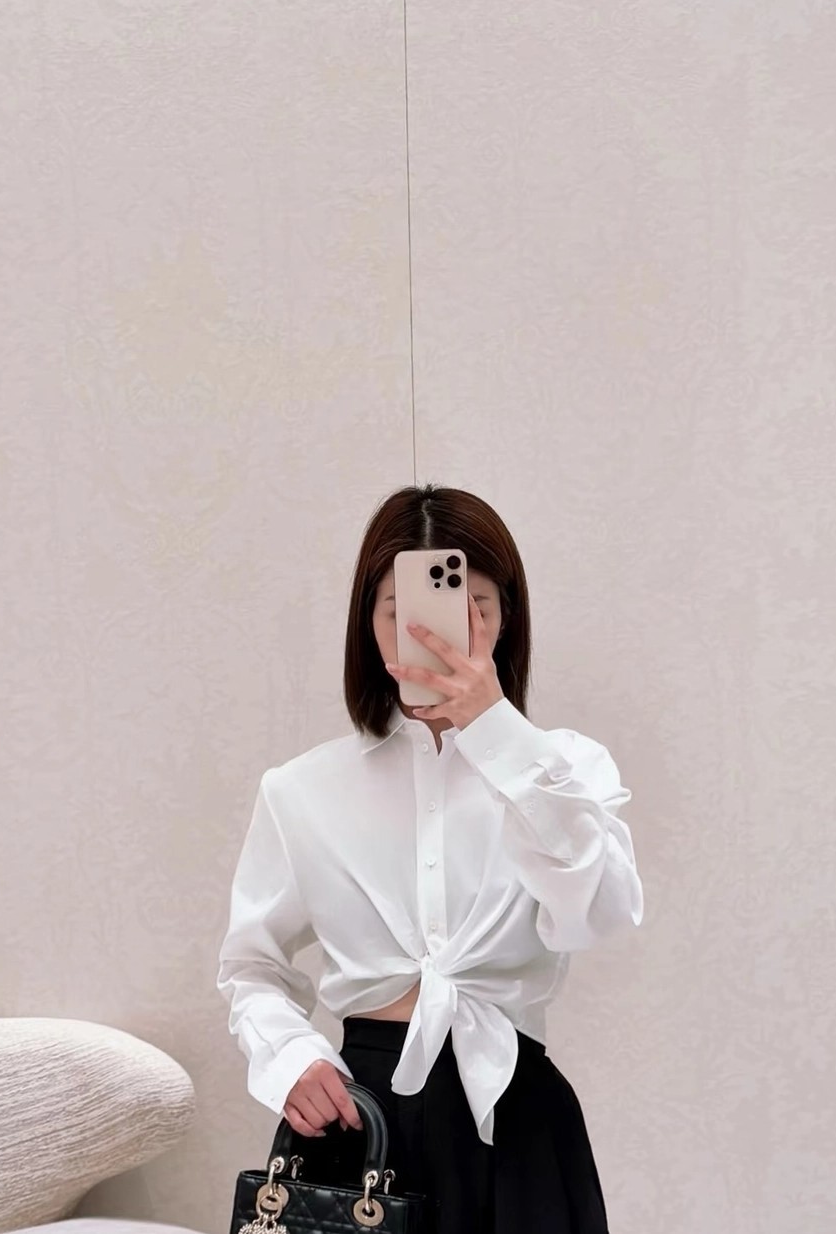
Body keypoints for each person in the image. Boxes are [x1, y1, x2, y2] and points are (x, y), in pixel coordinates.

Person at [217, 485, 643, 1233]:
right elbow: (251, 967)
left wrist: (498, 735)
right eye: (400, 612)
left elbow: (598, 913)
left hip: (518, 1125)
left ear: (506, 619)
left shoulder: (563, 770)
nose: (438, 632)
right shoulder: (301, 790)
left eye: (474, 606)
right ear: (369, 623)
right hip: (360, 1125)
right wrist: (290, 1059)